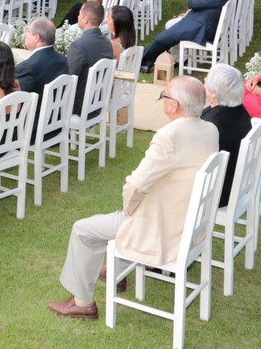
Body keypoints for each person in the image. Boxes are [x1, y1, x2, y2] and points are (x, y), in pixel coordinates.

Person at [49, 76, 218, 320]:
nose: (163, 101)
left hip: (162, 228)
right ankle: (117, 273)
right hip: (190, 223)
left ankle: (82, 303)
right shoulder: (209, 129)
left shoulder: (170, 135)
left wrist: (130, 207)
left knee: (82, 230)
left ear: (174, 105)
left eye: (164, 96)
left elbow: (136, 184)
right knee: (122, 218)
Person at [140, 0, 233, 72]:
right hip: (197, 21)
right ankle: (158, 61)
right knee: (166, 35)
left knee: (160, 39)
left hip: (197, 27)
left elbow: (192, 3)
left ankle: (143, 61)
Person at [201, 64, 252, 207]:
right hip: (235, 181)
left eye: (206, 80)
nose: (204, 81)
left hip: (218, 191)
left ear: (213, 94)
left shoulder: (213, 125)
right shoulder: (239, 110)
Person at [66, 1, 114, 112]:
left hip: (80, 105)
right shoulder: (107, 42)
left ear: (85, 19)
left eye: (79, 14)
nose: (77, 17)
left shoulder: (79, 45)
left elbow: (70, 77)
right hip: (98, 100)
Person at [15, 17, 68, 99]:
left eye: (28, 32)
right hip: (55, 110)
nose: (26, 34)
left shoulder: (27, 67)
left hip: (35, 111)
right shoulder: (63, 60)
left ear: (36, 37)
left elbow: (14, 98)